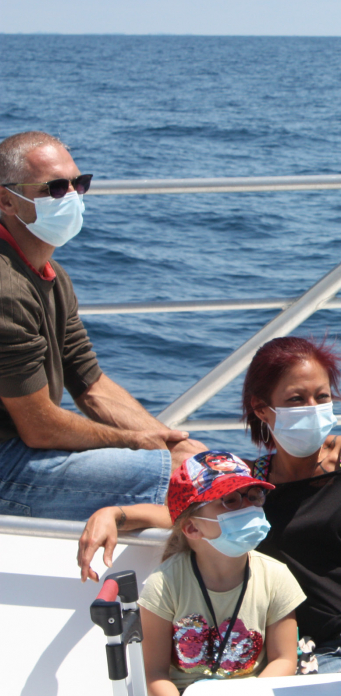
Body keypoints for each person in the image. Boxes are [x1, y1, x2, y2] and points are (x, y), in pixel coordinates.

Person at [78, 336, 341, 673]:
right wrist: (114, 513)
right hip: (318, 652)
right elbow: (189, 517)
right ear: (263, 409)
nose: (312, 408)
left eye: (322, 397)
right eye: (296, 399)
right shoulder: (254, 483)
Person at [0, 131, 203, 521]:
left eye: (80, 184)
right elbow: (39, 427)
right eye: (55, 188)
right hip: (9, 463)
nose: (72, 196)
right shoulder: (7, 290)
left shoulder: (52, 277)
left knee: (196, 468)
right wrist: (139, 445)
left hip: (21, 450)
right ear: (7, 200)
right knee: (174, 481)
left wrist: (173, 442)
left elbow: (90, 383)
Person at [139, 451, 303, 696]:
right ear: (193, 527)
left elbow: (284, 660)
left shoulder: (276, 576)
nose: (247, 506)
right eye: (230, 500)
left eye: (253, 496)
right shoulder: (164, 583)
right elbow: (155, 674)